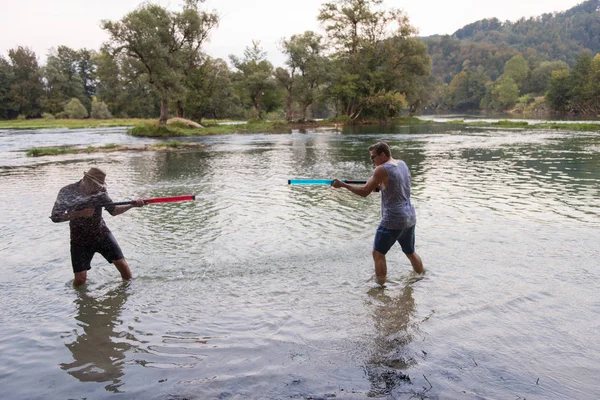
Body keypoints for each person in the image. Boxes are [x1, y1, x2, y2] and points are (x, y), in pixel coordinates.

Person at [332, 142, 424, 285]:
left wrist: (343, 185)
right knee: (410, 252)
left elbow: (364, 192)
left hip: (393, 218)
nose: (372, 161)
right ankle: (422, 277)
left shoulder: (382, 169)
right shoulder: (402, 164)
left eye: (373, 157)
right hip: (409, 216)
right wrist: (380, 186)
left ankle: (380, 288)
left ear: (383, 154)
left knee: (378, 253)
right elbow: (396, 186)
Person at [51, 167, 145, 286]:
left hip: (101, 234)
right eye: (93, 184)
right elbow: (55, 217)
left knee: (125, 270)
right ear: (84, 178)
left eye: (98, 185)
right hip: (79, 239)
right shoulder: (66, 191)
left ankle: (127, 296)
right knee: (80, 280)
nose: (96, 188)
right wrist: (79, 213)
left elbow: (114, 210)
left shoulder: (100, 192)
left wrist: (132, 205)